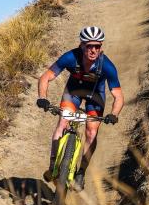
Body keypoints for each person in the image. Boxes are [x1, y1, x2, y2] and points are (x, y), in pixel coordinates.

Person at [36, 26, 124, 191]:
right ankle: (53, 164)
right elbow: (46, 77)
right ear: (82, 45)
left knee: (91, 132)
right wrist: (42, 97)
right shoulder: (70, 57)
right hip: (73, 92)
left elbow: (118, 96)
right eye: (89, 45)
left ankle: (81, 172)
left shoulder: (107, 66)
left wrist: (114, 114)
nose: (93, 50)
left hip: (95, 96)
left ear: (101, 47)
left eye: (97, 46)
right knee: (63, 122)